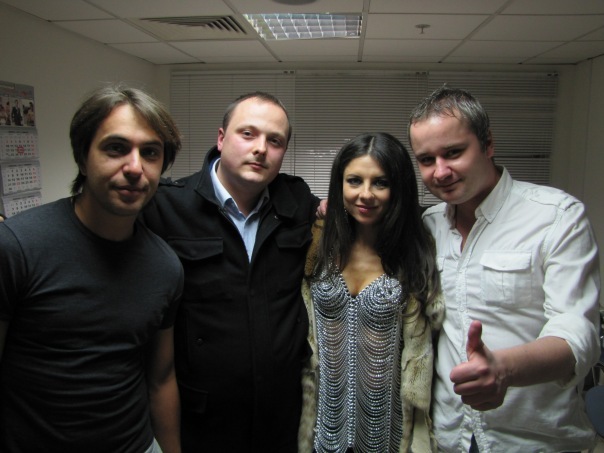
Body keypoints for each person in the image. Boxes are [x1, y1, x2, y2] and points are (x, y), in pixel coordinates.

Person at [408, 86, 601, 452]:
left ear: (488, 144)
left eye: (453, 152)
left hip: (531, 440)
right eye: (426, 159)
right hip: (448, 438)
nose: (440, 171)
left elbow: (577, 331)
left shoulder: (556, 217)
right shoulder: (428, 226)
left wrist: (503, 369)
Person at [0, 84, 184, 453]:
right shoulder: (17, 247)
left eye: (150, 153)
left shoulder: (165, 266)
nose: (135, 167)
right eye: (116, 148)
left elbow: (161, 379)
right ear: (83, 158)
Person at [141, 91, 321, 452]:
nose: (261, 149)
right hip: (204, 422)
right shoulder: (166, 206)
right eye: (248, 134)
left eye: (275, 141)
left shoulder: (297, 200)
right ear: (221, 138)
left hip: (282, 419)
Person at [297, 132, 444, 452]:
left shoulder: (417, 251)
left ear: (399, 188)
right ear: (339, 185)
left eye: (380, 183)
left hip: (389, 428)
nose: (365, 194)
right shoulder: (316, 243)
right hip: (322, 426)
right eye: (354, 181)